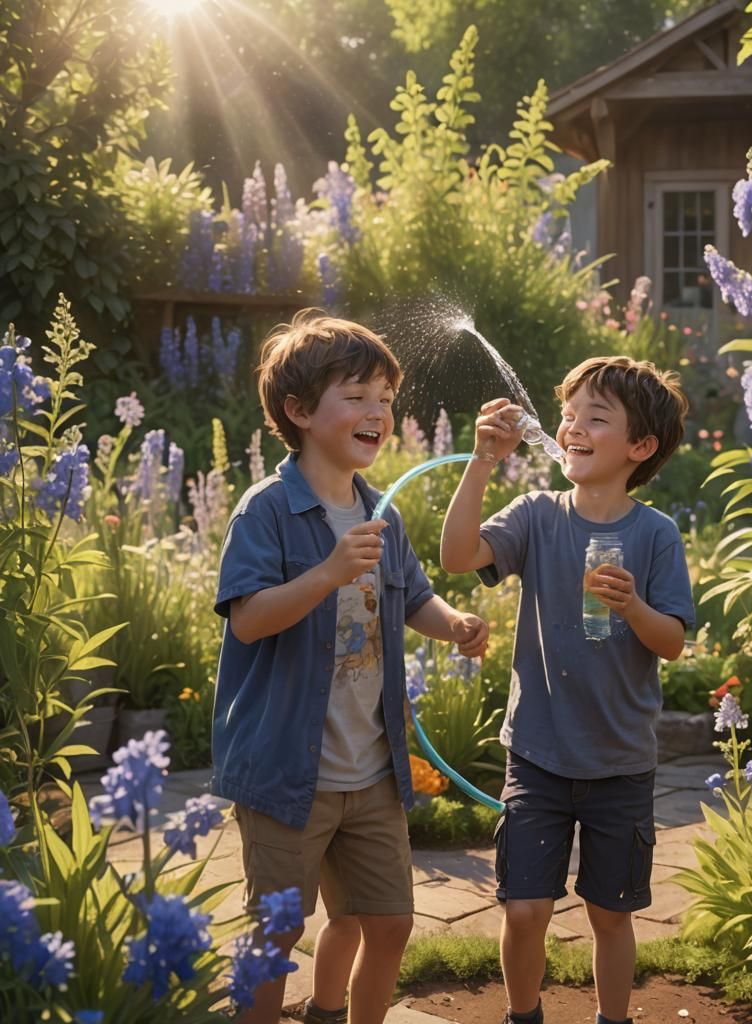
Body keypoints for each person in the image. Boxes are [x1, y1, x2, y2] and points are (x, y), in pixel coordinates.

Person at [212, 311, 489, 1024]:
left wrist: (451, 623)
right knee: (276, 932)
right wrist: (329, 573)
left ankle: (332, 1014)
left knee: (388, 922)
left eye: (387, 399)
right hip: (285, 773)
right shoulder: (267, 511)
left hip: (370, 768)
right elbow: (247, 618)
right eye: (358, 395)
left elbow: (414, 596)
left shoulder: (381, 512)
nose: (378, 413)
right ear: (299, 412)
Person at [440, 355, 695, 1024]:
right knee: (524, 908)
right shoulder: (537, 516)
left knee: (610, 914)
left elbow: (672, 641)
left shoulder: (655, 536)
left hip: (619, 763)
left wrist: (636, 609)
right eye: (569, 415)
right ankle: (524, 1017)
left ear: (640, 447)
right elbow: (457, 555)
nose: (573, 426)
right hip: (538, 754)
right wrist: (481, 462)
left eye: (596, 418)